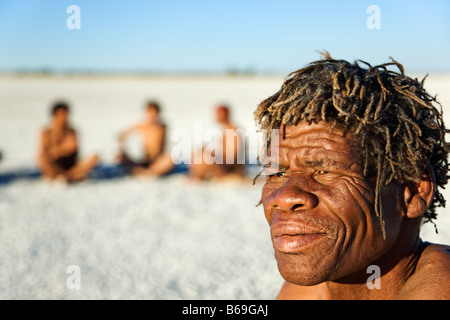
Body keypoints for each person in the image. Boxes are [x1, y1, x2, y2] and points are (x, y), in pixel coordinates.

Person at [254, 53, 450, 300]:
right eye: (279, 172)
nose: (284, 197)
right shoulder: (311, 289)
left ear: (413, 190)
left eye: (325, 171)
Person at [38, 101, 99, 182]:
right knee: (41, 158)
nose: (64, 118)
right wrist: (63, 149)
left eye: (66, 114)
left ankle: (66, 176)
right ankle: (71, 176)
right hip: (55, 165)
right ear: (54, 116)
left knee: (95, 156)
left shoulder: (72, 131)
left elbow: (76, 153)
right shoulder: (46, 132)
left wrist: (72, 148)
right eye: (61, 115)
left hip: (70, 165)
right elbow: (45, 155)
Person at [117, 101, 174, 176]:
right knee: (120, 156)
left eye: (154, 113)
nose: (152, 116)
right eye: (150, 113)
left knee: (172, 158)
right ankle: (144, 171)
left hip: (158, 160)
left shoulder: (161, 126)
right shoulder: (143, 125)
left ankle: (149, 172)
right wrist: (122, 148)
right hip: (145, 159)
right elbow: (122, 135)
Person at [189, 105, 245, 180]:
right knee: (200, 153)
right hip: (224, 163)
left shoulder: (234, 131)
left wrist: (213, 155)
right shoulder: (226, 130)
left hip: (228, 167)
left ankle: (200, 176)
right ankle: (198, 176)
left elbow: (234, 157)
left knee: (204, 156)